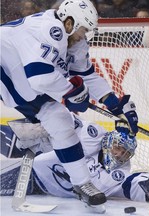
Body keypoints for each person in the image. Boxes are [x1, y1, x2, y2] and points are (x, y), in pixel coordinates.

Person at [0, 0, 138, 211]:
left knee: (61, 120)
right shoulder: (50, 29)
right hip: (8, 68)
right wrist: (69, 94)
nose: (84, 35)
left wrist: (114, 104)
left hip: (17, 80)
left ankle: (82, 184)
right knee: (58, 112)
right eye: (83, 29)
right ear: (69, 22)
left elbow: (86, 75)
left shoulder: (75, 41)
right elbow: (39, 76)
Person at [0, 115, 149, 203]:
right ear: (109, 142)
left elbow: (92, 189)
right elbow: (65, 119)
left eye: (125, 153)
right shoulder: (93, 133)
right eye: (118, 148)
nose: (119, 155)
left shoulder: (120, 171)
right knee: (11, 139)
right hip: (33, 169)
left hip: (43, 185)